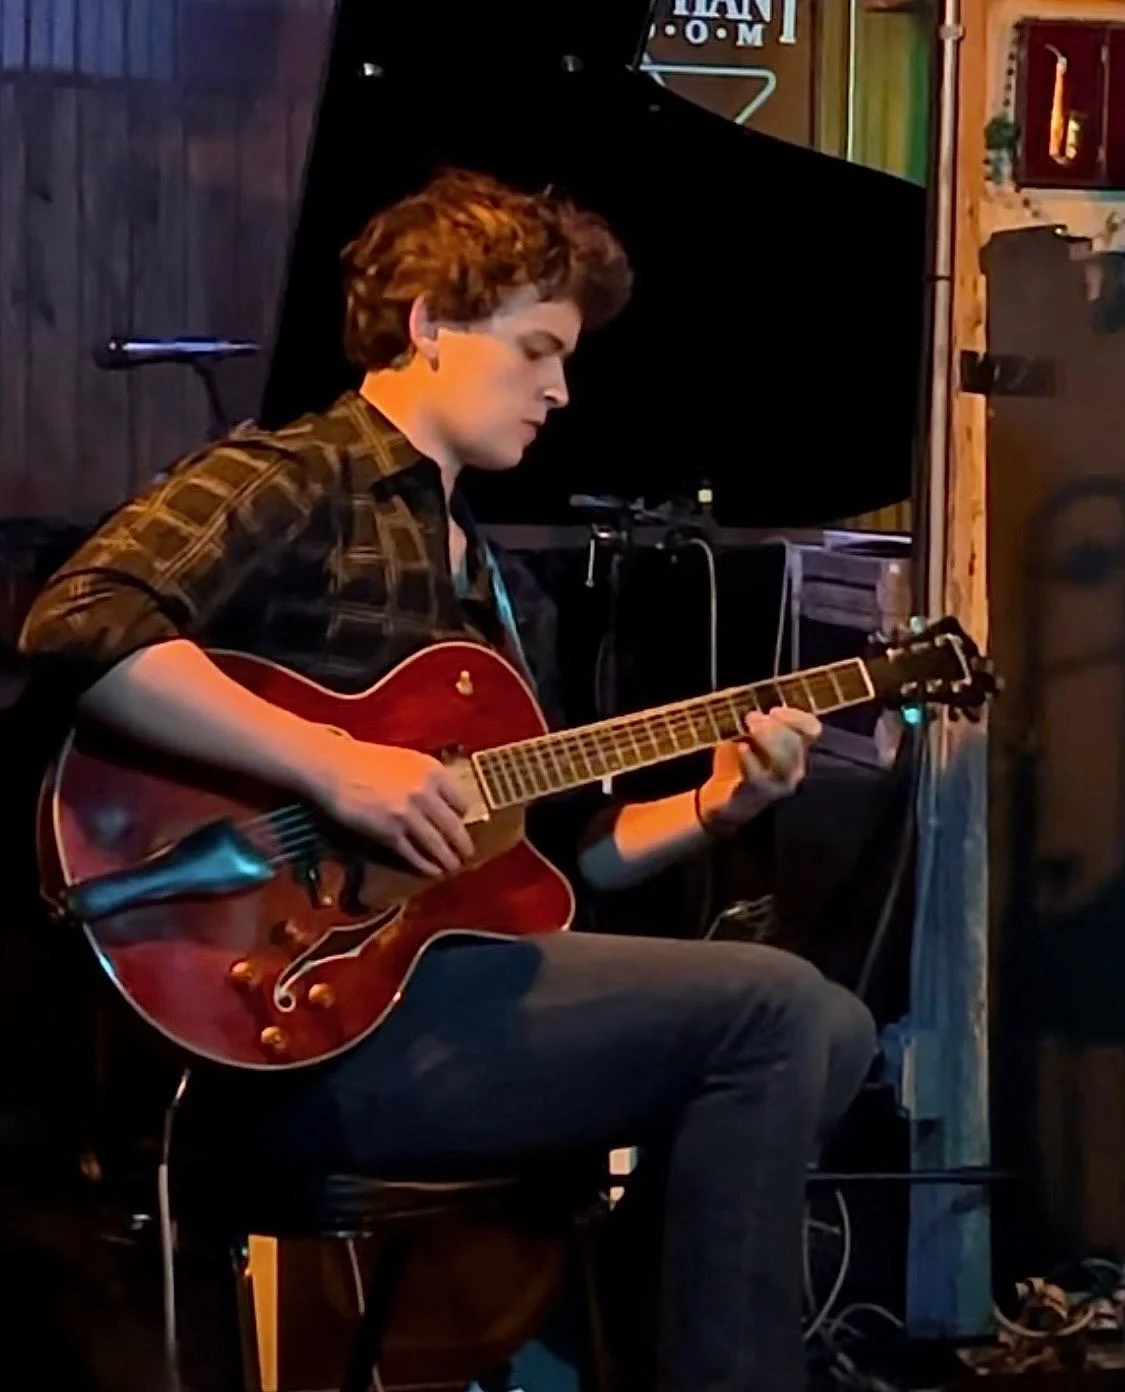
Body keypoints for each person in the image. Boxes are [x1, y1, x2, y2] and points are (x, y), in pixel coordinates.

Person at [19, 168, 876, 1392]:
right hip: (281, 1026)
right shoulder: (297, 472)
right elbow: (81, 620)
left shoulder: (500, 595)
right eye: (536, 350)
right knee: (778, 1010)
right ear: (428, 324)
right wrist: (335, 763)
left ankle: (640, 1340)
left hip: (434, 996)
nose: (561, 390)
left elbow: (559, 864)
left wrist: (715, 805)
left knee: (830, 1027)